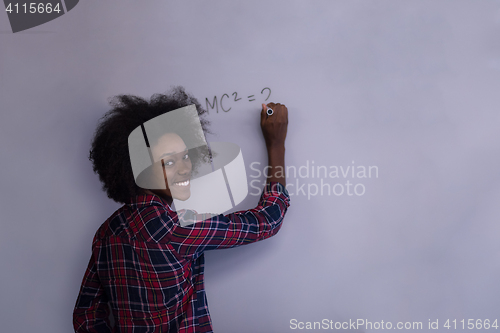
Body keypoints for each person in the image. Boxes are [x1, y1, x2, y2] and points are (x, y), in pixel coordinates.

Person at [73, 86, 290, 333]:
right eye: (169, 161)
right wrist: (276, 145)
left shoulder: (107, 233)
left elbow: (86, 315)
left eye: (186, 156)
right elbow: (267, 221)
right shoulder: (178, 227)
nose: (185, 168)